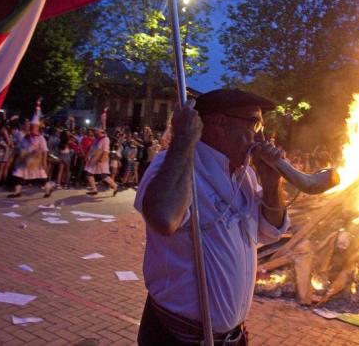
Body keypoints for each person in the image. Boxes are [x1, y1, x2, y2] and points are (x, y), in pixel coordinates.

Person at [135, 89, 290, 345]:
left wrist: (272, 184)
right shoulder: (173, 165)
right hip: (178, 337)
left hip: (231, 337)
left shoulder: (246, 176)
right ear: (220, 124)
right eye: (255, 122)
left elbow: (270, 232)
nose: (261, 135)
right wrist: (183, 140)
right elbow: (163, 217)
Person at [85, 127, 118, 196]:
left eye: (96, 131)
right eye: (95, 131)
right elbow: (92, 148)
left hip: (101, 159)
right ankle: (94, 189)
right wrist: (88, 156)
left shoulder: (106, 139)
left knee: (104, 176)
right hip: (94, 159)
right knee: (89, 173)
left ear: (100, 132)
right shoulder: (96, 139)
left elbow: (106, 150)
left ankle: (115, 186)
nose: (95, 132)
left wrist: (102, 159)